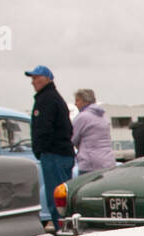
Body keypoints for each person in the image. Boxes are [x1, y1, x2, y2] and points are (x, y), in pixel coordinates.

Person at [26, 66, 74, 226]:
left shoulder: (46, 99)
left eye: (36, 78)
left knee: (57, 202)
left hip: (53, 155)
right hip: (61, 154)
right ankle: (67, 232)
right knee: (63, 200)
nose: (33, 82)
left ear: (47, 79)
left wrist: (40, 150)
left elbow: (43, 128)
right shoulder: (54, 98)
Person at [71, 88, 117, 173]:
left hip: (90, 164)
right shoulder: (103, 116)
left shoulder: (82, 117)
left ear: (85, 101)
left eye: (77, 100)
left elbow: (72, 139)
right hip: (108, 161)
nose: (75, 104)